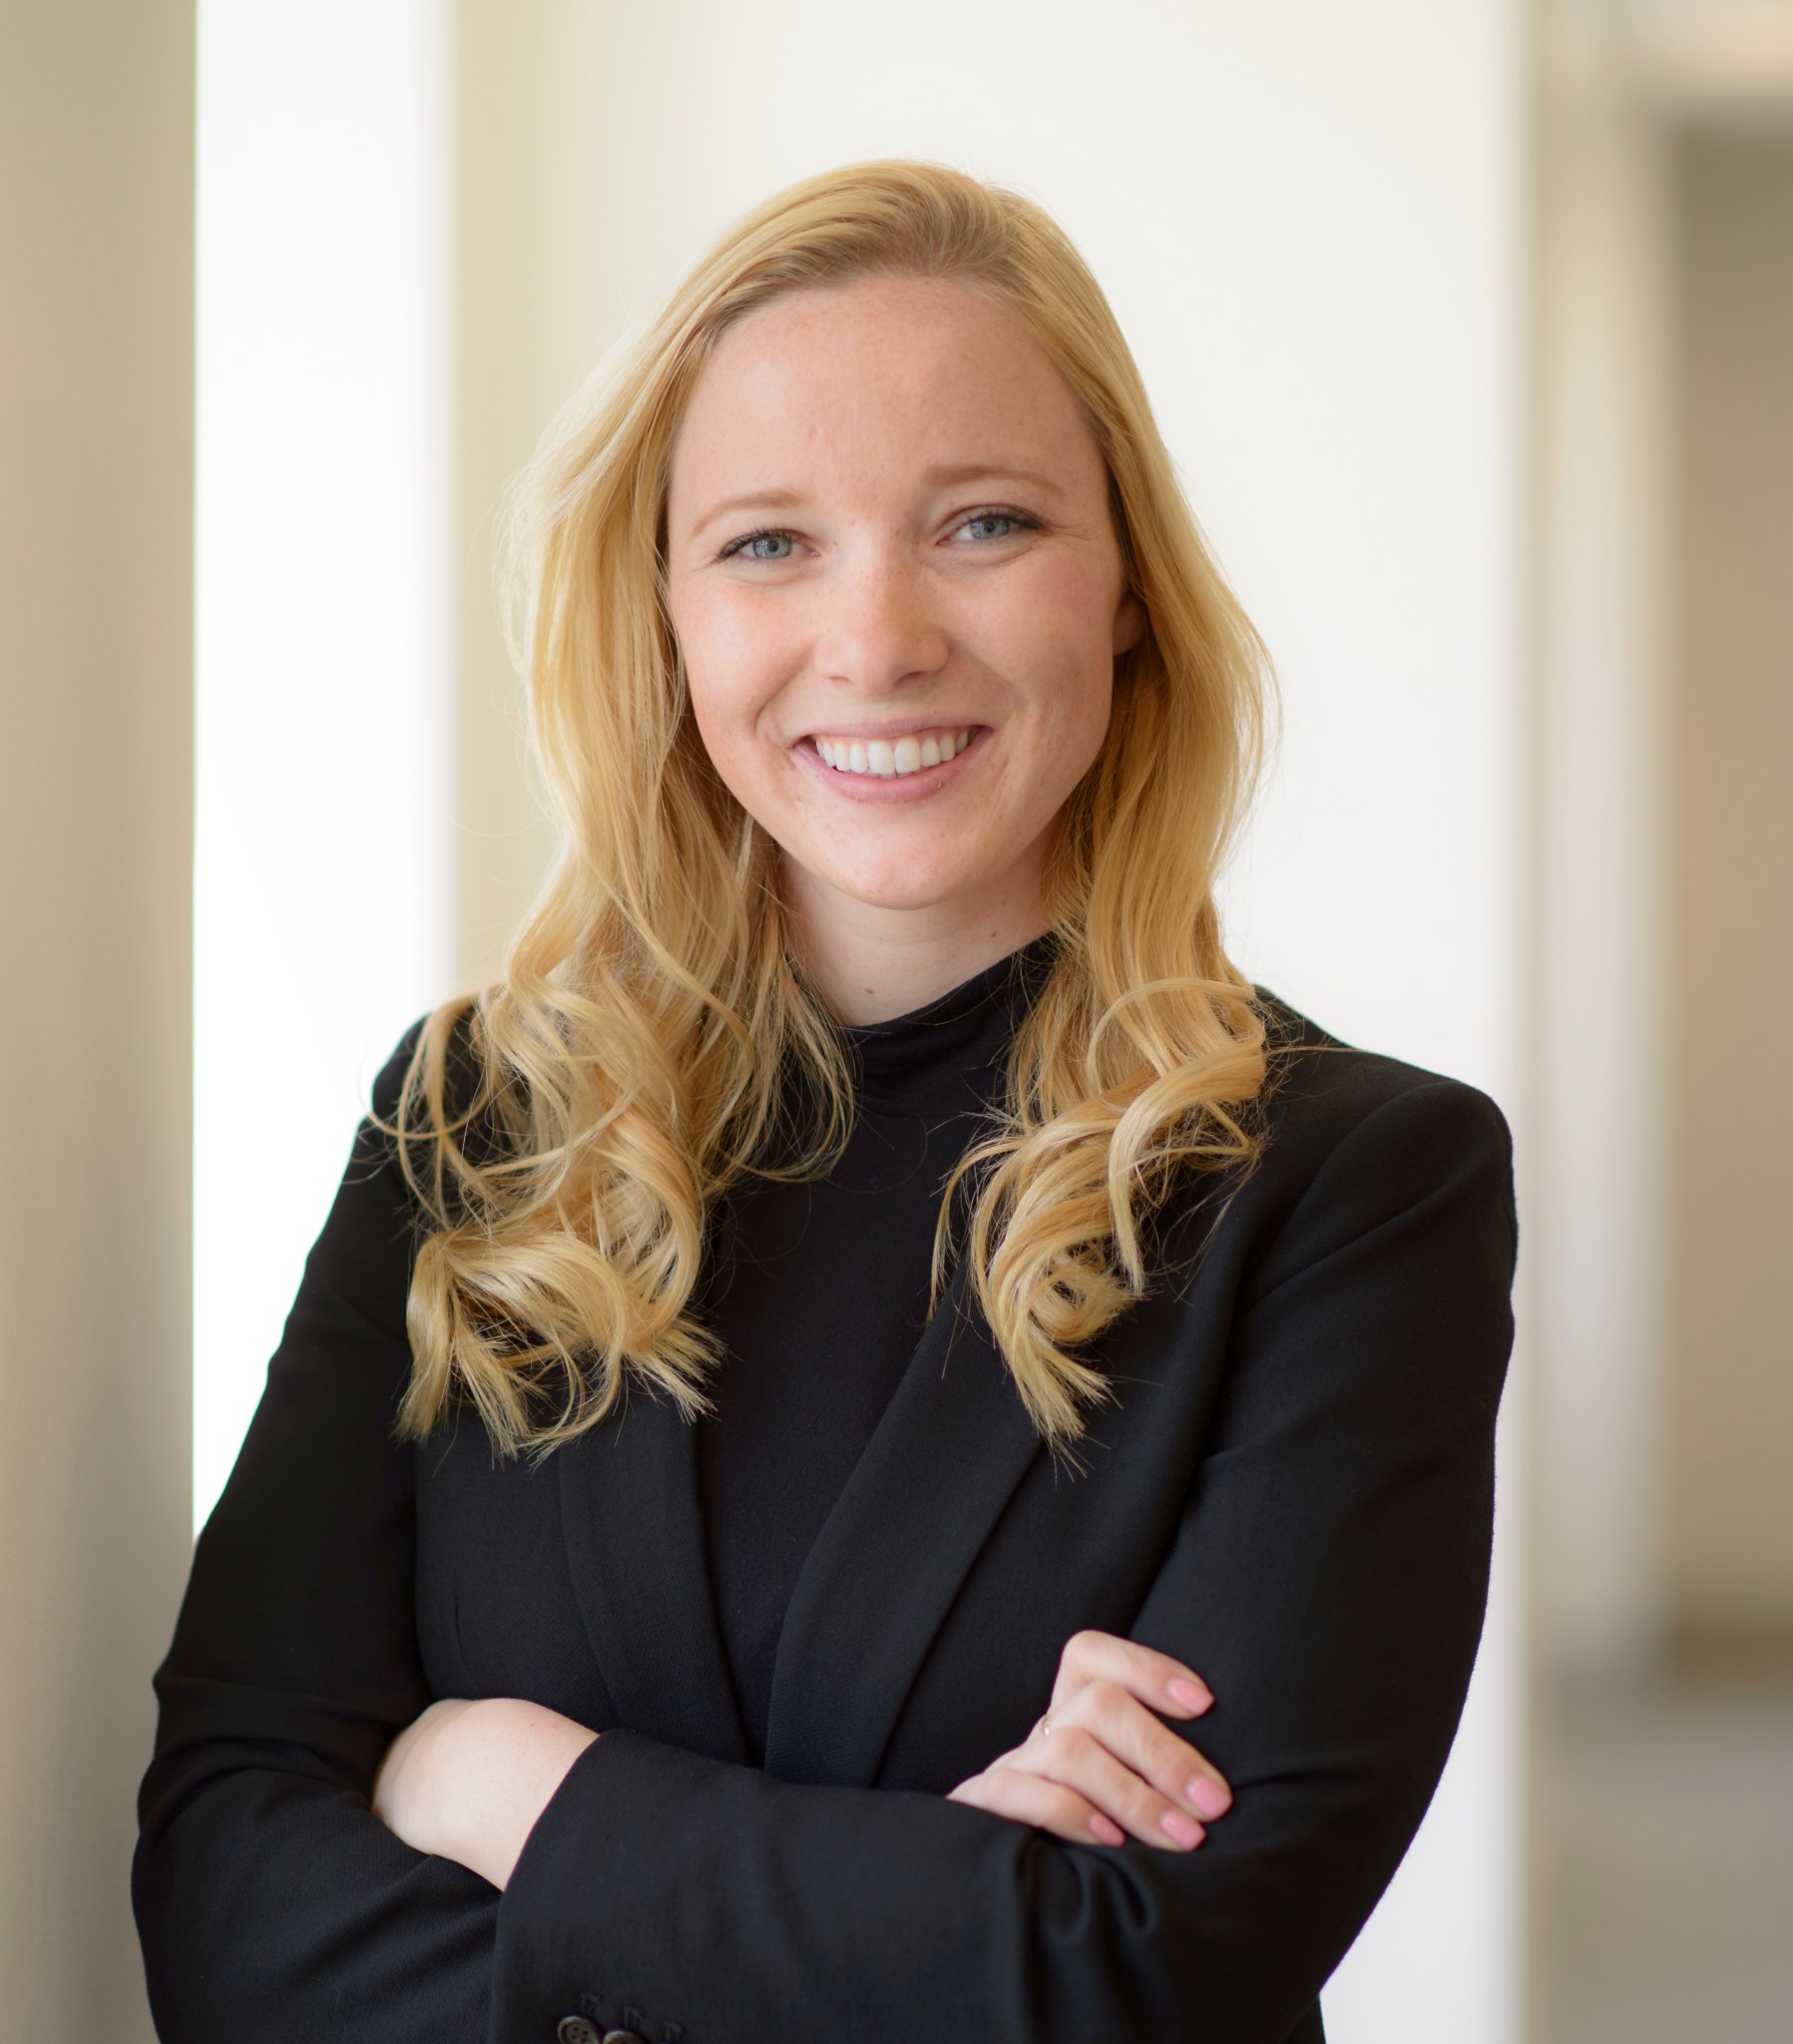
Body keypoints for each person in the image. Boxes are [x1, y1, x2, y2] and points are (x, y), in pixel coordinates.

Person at [133, 160, 1518, 2044]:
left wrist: (506, 1789)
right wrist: (930, 1911)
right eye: (769, 543)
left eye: (983, 522)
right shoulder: (472, 1128)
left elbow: (1141, 1974)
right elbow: (229, 1889)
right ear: (668, 616)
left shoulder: (1352, 1187)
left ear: (1122, 593)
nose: (873, 642)